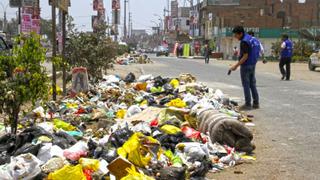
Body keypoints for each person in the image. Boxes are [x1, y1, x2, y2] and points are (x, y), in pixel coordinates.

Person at [229, 26, 260, 110]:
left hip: (246, 65)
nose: (235, 37)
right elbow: (258, 50)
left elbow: (245, 56)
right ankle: (256, 103)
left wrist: (236, 66)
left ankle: (248, 104)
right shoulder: (252, 39)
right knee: (252, 84)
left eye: (236, 35)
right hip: (253, 64)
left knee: (246, 84)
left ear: (241, 33)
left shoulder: (244, 42)